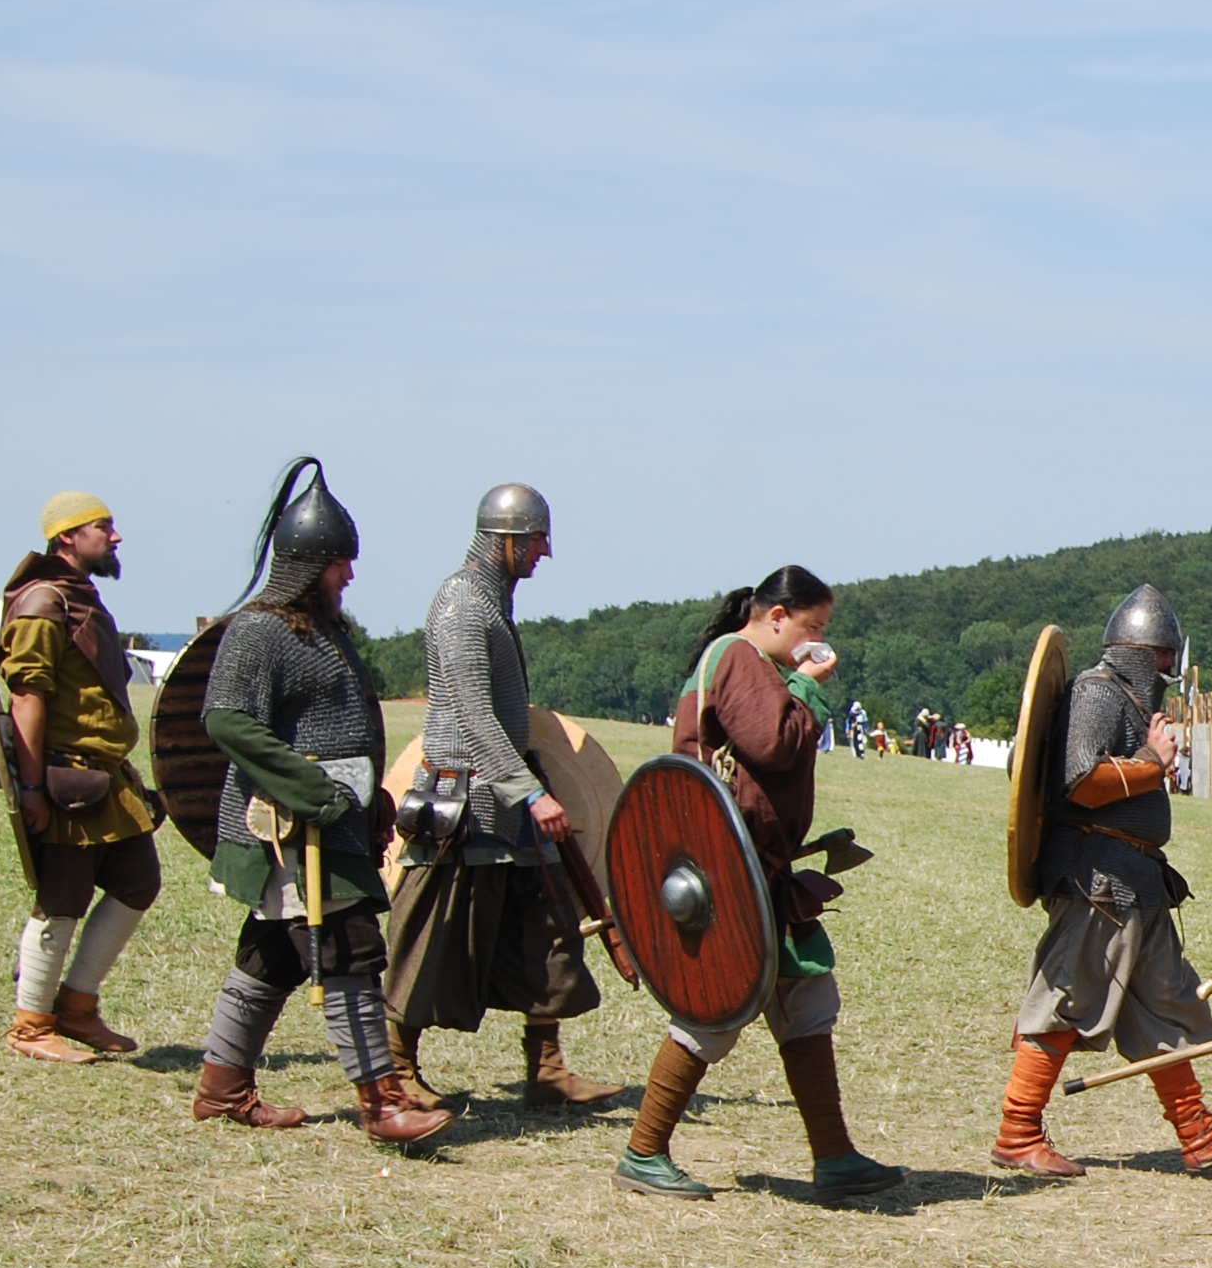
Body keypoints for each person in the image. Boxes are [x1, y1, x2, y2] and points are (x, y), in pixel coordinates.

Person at [615, 568, 900, 1201]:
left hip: (758, 870)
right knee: (713, 1007)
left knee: (806, 1000)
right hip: (729, 875)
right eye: (810, 626)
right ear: (775, 616)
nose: (816, 640)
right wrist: (808, 684)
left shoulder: (752, 663)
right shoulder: (740, 657)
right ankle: (643, 1150)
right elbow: (772, 744)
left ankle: (834, 1155)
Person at [189, 465, 451, 1145]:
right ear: (307, 566)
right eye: (340, 564)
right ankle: (381, 1102)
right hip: (290, 829)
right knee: (348, 950)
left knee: (272, 956)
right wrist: (309, 792)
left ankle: (222, 1090)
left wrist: (370, 800)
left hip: (331, 825)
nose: (349, 576)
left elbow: (339, 731)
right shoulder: (259, 632)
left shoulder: (322, 631)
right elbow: (226, 720)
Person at [989, 584, 1212, 1179]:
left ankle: (1198, 1131)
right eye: (1166, 655)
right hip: (1097, 881)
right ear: (1147, 652)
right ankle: (1018, 1132)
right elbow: (1080, 782)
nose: (1169, 666)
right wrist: (1153, 762)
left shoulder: (1128, 699)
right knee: (1067, 998)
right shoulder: (1096, 693)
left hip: (1137, 881)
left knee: (1162, 1004)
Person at [381, 483, 621, 1113]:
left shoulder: (491, 602)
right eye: (537, 540)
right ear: (507, 539)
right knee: (431, 934)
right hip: (462, 802)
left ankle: (547, 1069)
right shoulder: (462, 604)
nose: (544, 552)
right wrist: (531, 792)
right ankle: (396, 1068)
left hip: (506, 802)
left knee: (547, 927)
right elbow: (471, 715)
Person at [0, 492, 166, 1063]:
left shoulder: (77, 596)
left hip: (105, 777)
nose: (115, 537)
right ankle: (30, 1025)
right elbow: (27, 696)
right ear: (67, 535)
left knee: (138, 881)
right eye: (103, 526)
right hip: (66, 778)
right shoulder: (43, 602)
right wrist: (32, 787)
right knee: (61, 901)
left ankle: (77, 1007)